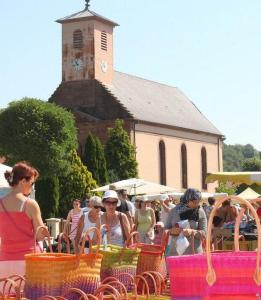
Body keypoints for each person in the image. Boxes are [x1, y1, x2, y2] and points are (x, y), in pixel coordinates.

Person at [0, 161, 45, 278]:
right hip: (29, 261)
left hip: (4, 261)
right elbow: (40, 235)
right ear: (23, 181)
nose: (32, 186)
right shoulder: (30, 204)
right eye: (32, 182)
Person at [165, 188, 207, 256]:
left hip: (194, 254)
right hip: (175, 254)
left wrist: (192, 232)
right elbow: (165, 230)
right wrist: (171, 231)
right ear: (187, 200)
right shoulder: (174, 211)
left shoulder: (200, 212)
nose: (196, 204)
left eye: (198, 202)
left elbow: (204, 234)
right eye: (194, 202)